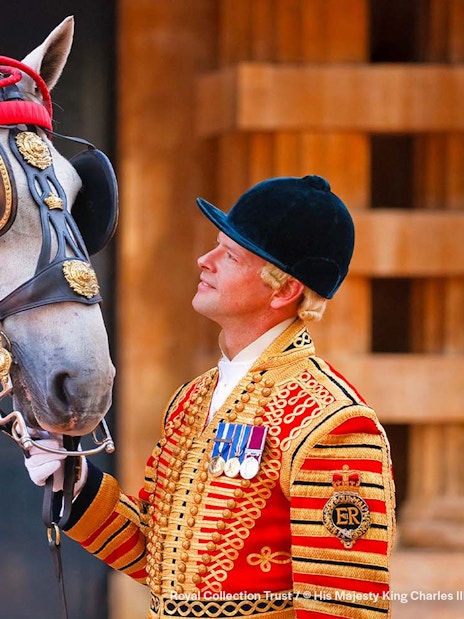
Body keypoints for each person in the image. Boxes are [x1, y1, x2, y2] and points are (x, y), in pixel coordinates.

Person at [26, 175, 396, 619]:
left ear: (284, 289)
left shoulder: (332, 421)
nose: (205, 259)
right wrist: (79, 482)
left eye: (230, 255)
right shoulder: (192, 399)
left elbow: (341, 607)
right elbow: (161, 562)